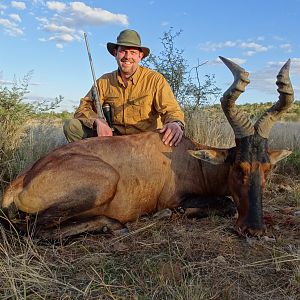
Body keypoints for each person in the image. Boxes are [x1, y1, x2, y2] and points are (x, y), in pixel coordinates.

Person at [63, 29, 185, 147]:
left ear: (140, 56)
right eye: (123, 51)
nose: (127, 56)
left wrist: (175, 123)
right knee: (72, 126)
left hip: (145, 143)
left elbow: (172, 110)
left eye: (133, 52)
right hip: (114, 141)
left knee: (171, 136)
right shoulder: (103, 81)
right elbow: (83, 108)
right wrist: (97, 121)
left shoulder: (155, 80)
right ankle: (90, 164)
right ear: (115, 53)